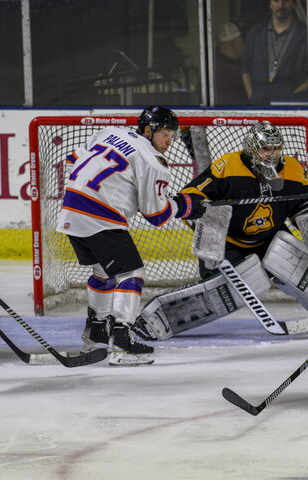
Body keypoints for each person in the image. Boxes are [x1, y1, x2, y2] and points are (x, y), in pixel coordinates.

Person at [133, 121, 308, 341]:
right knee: (223, 292)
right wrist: (192, 205)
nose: (271, 154)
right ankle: (154, 321)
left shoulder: (293, 169)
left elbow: (304, 209)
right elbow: (195, 192)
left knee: (295, 260)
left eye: (276, 148)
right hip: (226, 244)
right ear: (251, 148)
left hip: (269, 240)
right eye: (266, 148)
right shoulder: (228, 166)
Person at [56, 106, 205, 366]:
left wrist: (116, 189)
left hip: (70, 210)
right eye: (166, 134)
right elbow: (156, 216)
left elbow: (73, 159)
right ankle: (123, 341)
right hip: (100, 216)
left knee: (103, 272)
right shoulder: (152, 160)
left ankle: (97, 332)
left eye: (173, 136)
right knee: (132, 273)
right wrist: (185, 206)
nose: (169, 141)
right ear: (148, 130)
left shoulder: (110, 133)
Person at [241, 0, 308, 105]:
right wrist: (252, 95)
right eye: (276, 1)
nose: (280, 5)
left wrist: (293, 97)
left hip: (292, 105)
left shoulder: (305, 35)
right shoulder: (254, 33)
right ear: (270, 4)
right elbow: (245, 69)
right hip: (258, 103)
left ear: (294, 4)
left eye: (286, 1)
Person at [214, 22, 247, 105]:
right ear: (232, 44)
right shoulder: (221, 71)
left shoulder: (234, 65)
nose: (244, 45)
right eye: (241, 41)